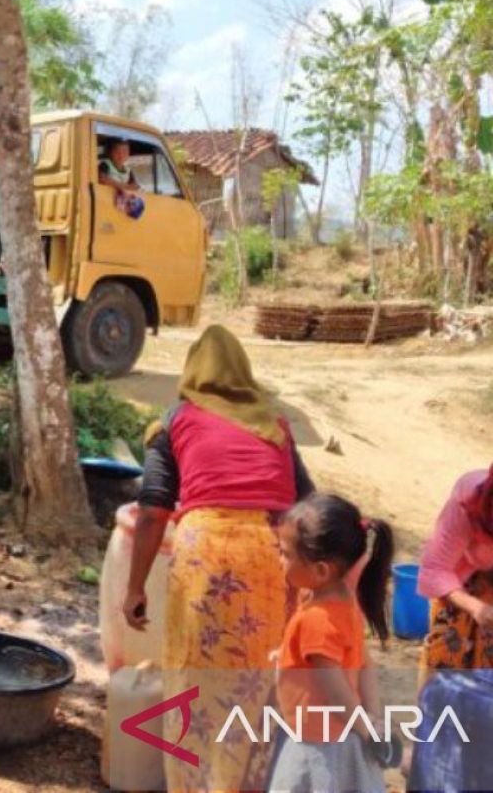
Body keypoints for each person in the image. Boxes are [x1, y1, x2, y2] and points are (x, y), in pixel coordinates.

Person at [124, 324, 315, 792]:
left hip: (206, 561)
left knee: (197, 683)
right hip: (274, 563)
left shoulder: (176, 420)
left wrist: (133, 589)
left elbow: (152, 512)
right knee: (258, 685)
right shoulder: (274, 425)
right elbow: (308, 503)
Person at [268, 494, 394, 793]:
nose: (279, 559)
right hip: (346, 736)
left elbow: (333, 688)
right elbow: (363, 664)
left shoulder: (316, 619)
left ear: (321, 570)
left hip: (316, 745)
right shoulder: (345, 606)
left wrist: (365, 729)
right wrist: (372, 721)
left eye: (285, 554)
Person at [418, 464, 493, 673]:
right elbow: (436, 568)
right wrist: (475, 606)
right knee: (446, 650)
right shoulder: (467, 502)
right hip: (458, 577)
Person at [98, 138, 143, 216]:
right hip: (105, 202)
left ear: (128, 154)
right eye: (117, 152)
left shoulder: (128, 171)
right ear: (110, 153)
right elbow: (102, 179)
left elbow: (135, 187)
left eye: (124, 152)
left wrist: (129, 188)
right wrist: (124, 186)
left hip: (120, 206)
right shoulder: (105, 165)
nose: (121, 155)